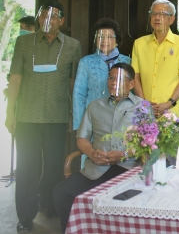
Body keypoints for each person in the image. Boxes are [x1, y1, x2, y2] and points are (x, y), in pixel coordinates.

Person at [5, 1, 81, 233]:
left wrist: (73, 115)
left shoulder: (72, 46)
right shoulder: (24, 42)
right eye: (43, 14)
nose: (48, 19)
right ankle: (25, 217)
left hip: (57, 117)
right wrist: (10, 112)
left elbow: (73, 84)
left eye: (54, 15)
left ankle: (47, 203)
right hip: (27, 115)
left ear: (62, 20)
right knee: (27, 166)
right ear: (38, 18)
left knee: (53, 167)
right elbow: (15, 77)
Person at [53, 63, 145, 233]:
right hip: (96, 168)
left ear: (131, 84)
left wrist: (124, 154)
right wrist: (92, 153)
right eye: (110, 77)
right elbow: (82, 138)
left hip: (127, 169)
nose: (112, 82)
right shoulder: (95, 106)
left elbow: (149, 144)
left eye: (118, 79)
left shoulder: (142, 108)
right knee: (61, 193)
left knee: (117, 202)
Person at [131, 0, 179, 117]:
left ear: (172, 19)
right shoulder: (139, 43)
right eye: (154, 13)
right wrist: (143, 103)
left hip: (171, 111)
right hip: (145, 109)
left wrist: (169, 103)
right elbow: (135, 76)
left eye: (162, 14)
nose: (157, 18)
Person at [73, 18, 131, 132]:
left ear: (117, 40)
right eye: (100, 36)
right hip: (93, 121)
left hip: (122, 121)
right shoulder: (86, 62)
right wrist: (80, 126)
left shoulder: (128, 62)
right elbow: (78, 94)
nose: (104, 40)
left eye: (109, 37)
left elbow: (133, 94)